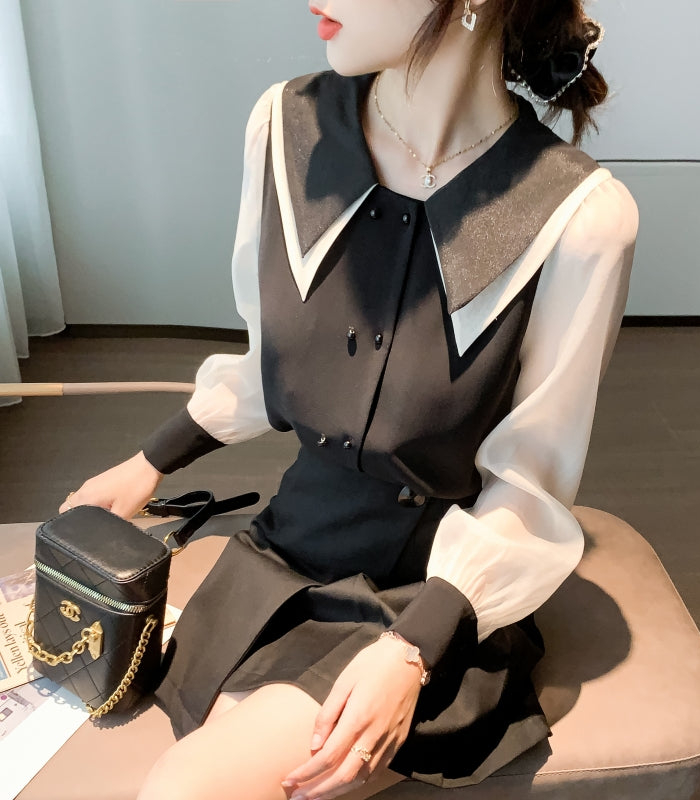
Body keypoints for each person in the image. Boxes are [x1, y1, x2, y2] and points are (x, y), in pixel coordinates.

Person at [63, 1, 638, 798]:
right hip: (284, 552)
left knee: (188, 788)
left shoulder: (581, 218)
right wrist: (149, 461)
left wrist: (414, 649)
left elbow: (530, 483)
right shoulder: (285, 128)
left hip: (428, 594)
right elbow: (272, 364)